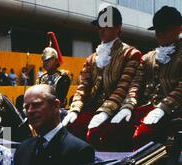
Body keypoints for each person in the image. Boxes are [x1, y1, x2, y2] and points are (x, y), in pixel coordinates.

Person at [62, 6, 142, 152]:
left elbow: (124, 87)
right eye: (99, 27)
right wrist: (74, 109)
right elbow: (83, 88)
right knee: (70, 127)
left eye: (106, 26)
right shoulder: (92, 58)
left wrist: (105, 111)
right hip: (93, 107)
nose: (102, 30)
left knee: (99, 134)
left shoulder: (131, 54)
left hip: (118, 109)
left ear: (118, 28)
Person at [116, 6, 181, 149]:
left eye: (166, 29)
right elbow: (136, 84)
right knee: (113, 129)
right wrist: (128, 106)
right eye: (158, 30)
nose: (160, 34)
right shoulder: (147, 58)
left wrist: (163, 108)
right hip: (146, 108)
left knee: (143, 134)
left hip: (175, 111)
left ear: (179, 29)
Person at [11, 85, 95, 165]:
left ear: (56, 106)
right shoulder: (23, 148)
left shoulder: (80, 150)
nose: (30, 111)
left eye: (36, 105)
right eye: (26, 107)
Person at [38, 33, 71, 107]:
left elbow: (59, 98)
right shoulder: (42, 77)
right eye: (44, 60)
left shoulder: (63, 78)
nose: (45, 63)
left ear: (56, 61)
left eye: (49, 60)